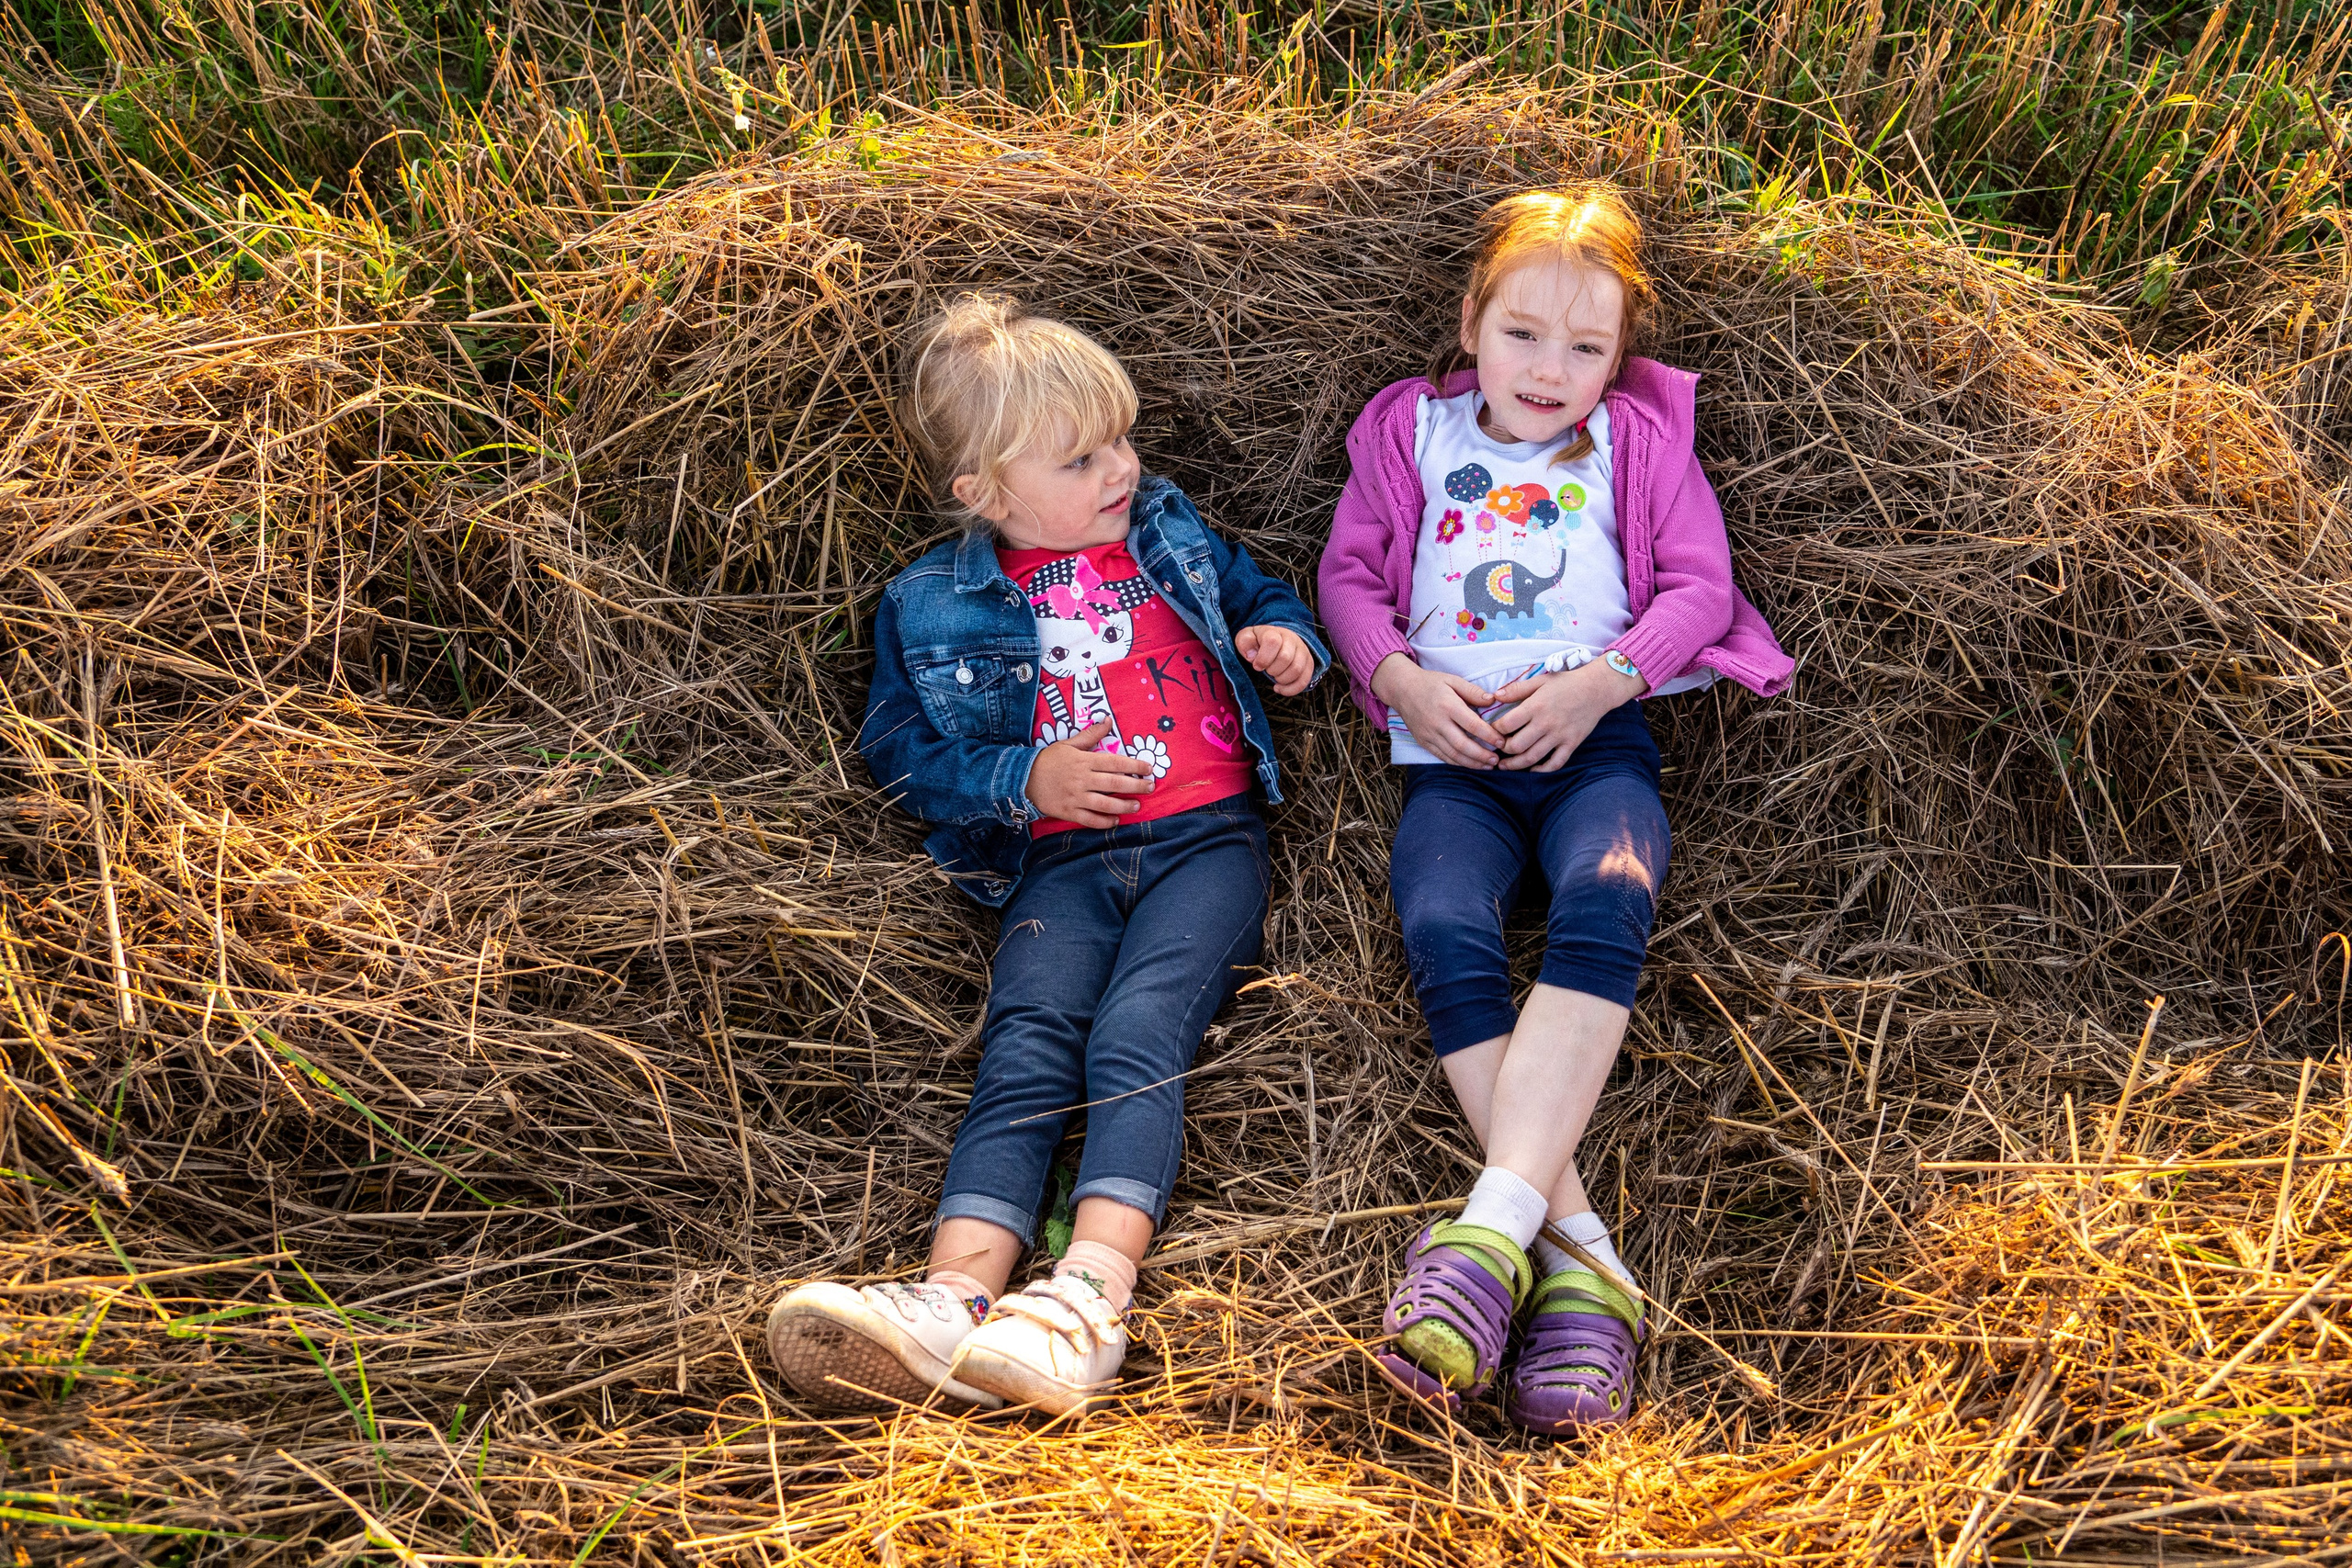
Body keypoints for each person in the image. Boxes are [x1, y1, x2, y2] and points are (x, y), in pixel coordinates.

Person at [767, 293, 1328, 1417]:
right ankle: (950, 1302)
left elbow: (1259, 590)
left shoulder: (1168, 530)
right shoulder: (932, 603)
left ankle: (1084, 1300)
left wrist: (1287, 639)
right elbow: (899, 749)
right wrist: (1024, 780)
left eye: (1119, 439)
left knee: (1137, 1035)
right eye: (1079, 458)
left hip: (1204, 843)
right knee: (1025, 1046)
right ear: (984, 493)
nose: (1117, 468)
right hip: (1059, 864)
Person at [1317, 185, 1793, 1432]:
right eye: (1524, 333)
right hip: (1450, 753)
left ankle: (1482, 1240)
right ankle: (1579, 1260)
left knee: (1610, 887)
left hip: (1596, 740)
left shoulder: (1637, 442)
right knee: (1440, 919)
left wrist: (1604, 679)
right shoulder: (1410, 432)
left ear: (1620, 356)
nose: (1551, 368)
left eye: (1588, 347)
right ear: (1472, 319)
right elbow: (1350, 573)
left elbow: (1699, 586)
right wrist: (1403, 678)